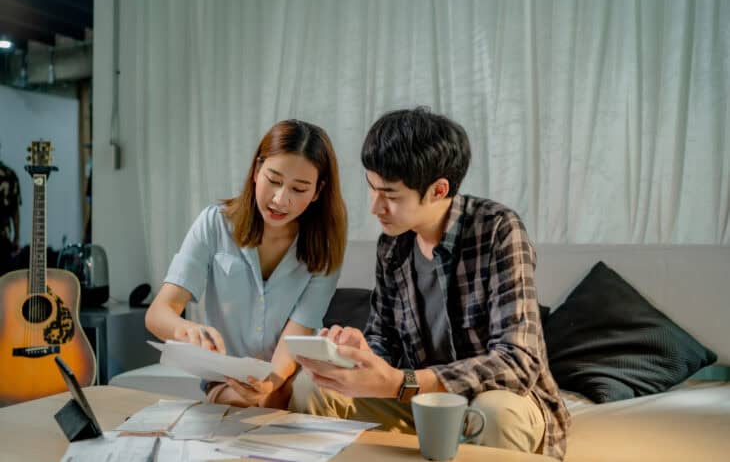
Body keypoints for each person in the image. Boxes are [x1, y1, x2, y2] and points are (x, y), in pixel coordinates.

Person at [290, 108, 570, 460]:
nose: (375, 207)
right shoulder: (392, 245)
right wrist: (360, 354)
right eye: (372, 189)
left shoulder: (498, 229)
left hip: (496, 396)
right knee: (312, 387)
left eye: (390, 195)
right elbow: (384, 340)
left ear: (438, 190)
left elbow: (518, 361)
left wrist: (401, 382)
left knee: (494, 412)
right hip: (418, 398)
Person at [146, 119, 347, 408]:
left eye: (299, 189)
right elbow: (158, 313)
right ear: (256, 170)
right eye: (274, 180)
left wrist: (271, 383)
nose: (280, 200)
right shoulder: (214, 224)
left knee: (303, 398)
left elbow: (295, 338)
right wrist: (186, 331)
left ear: (317, 192)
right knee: (240, 406)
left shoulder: (325, 249)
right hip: (227, 378)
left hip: (294, 373)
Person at [0, 156, 21, 276]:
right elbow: (15, 210)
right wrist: (16, 237)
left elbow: (15, 209)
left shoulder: (10, 175)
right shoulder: (10, 174)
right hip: (4, 238)